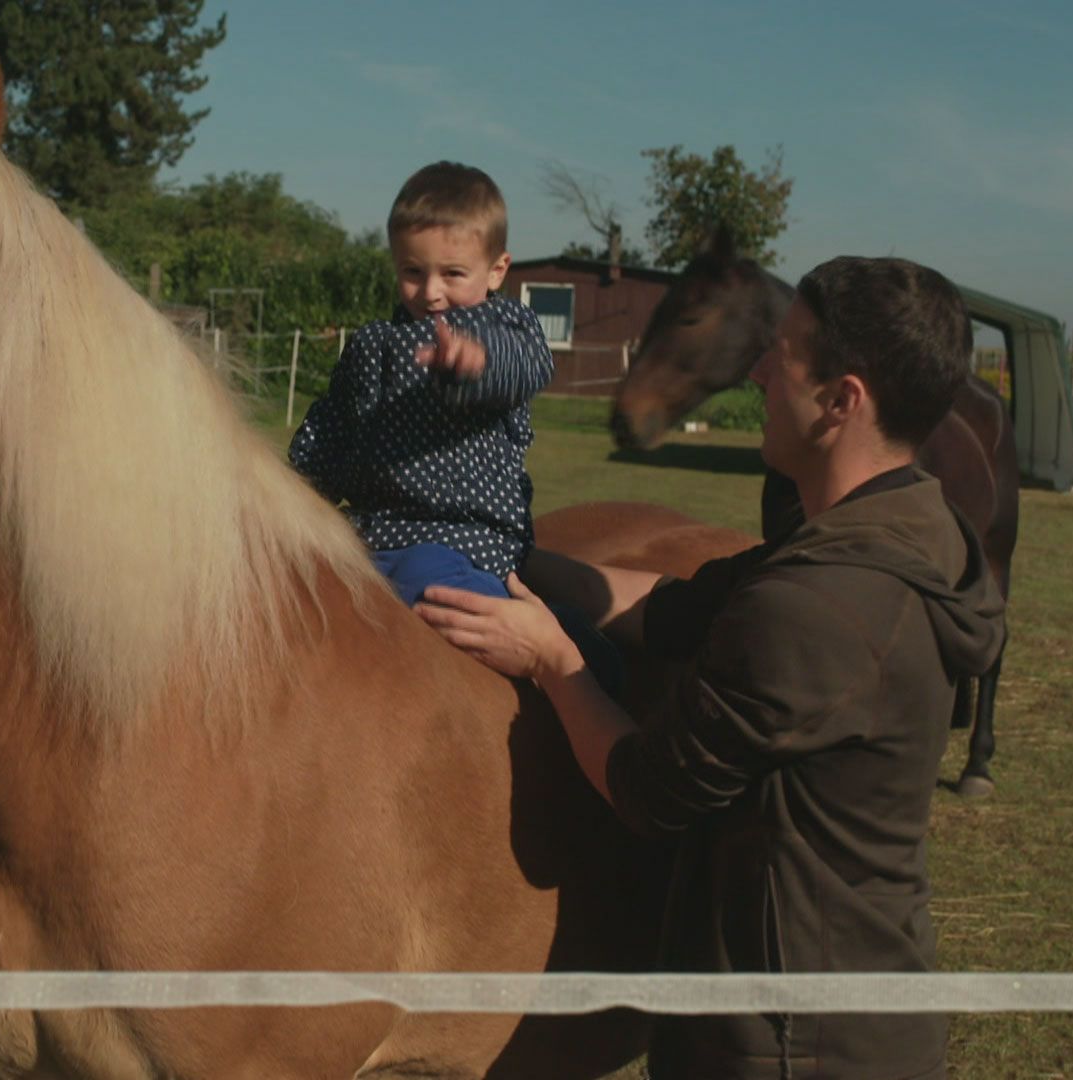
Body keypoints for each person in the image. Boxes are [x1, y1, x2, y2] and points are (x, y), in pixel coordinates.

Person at [416, 256, 1007, 1079]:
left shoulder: (817, 608)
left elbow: (646, 790)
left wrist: (553, 659)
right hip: (860, 1000)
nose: (759, 369)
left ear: (843, 401)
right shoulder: (900, 532)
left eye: (787, 353)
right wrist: (512, 556)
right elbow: (669, 606)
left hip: (785, 1044)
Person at [288, 161, 553, 607]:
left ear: (496, 270)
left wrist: (478, 363)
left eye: (452, 274)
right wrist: (292, 490)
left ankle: (551, 657)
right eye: (413, 271)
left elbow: (529, 366)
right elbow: (330, 429)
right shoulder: (372, 344)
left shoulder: (502, 324)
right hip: (367, 532)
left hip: (460, 541)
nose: (430, 292)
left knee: (438, 596)